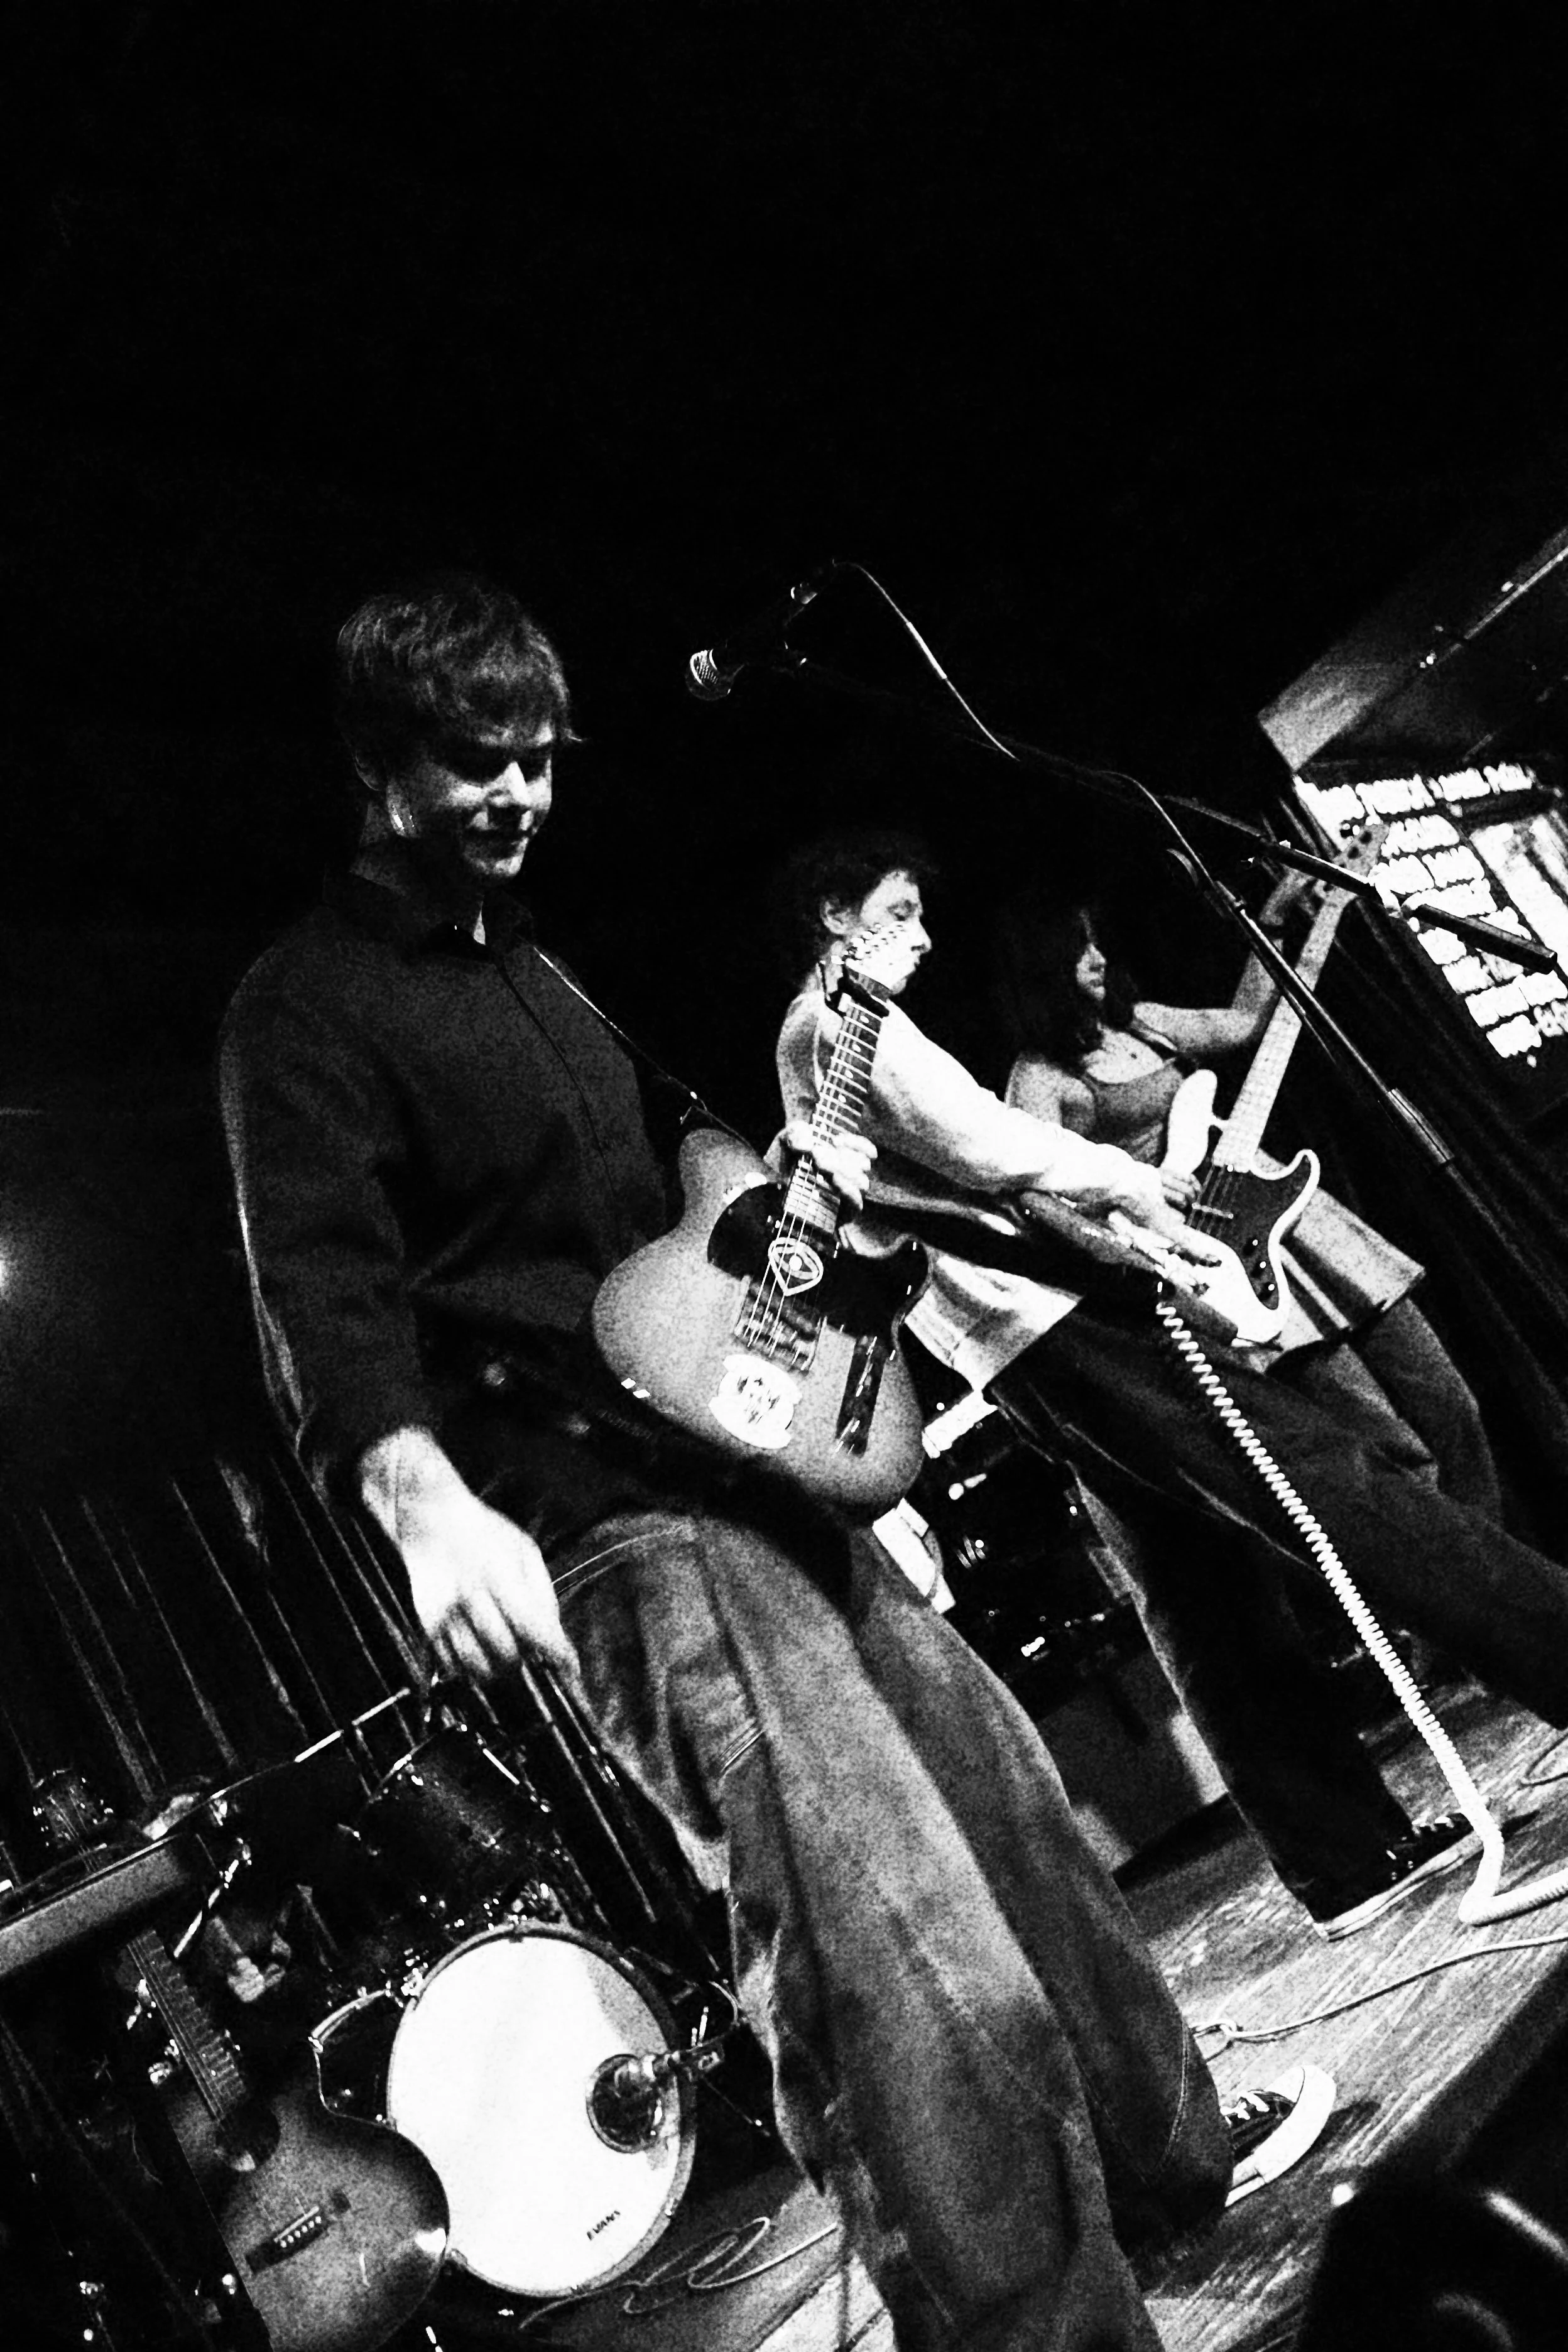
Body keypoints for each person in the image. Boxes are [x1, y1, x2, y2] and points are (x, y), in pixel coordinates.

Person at [219, 575, 1321, 2352]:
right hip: (613, 1521)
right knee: (892, 1945)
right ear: (376, 764)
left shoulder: (544, 972)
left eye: (536, 760)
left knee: (1015, 1821)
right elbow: (318, 1303)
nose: (516, 795)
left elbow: (689, 1171)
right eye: (474, 764)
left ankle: (1172, 2162)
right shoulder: (305, 1007)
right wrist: (424, 1503)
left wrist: (793, 1245)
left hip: (757, 1475)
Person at [773, 829, 1568, 1939]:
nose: (921, 937)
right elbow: (990, 1146)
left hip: (1024, 1344)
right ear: (834, 915)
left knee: (1197, 1588)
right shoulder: (838, 1024)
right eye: (897, 913)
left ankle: (1342, 1856)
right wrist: (1128, 1187)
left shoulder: (833, 1032)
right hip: (1059, 1322)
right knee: (1334, 1481)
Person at [994, 890, 1502, 1518]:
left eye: (1096, 942)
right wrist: (1130, 1186)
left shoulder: (1139, 1023)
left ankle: (1508, 1564)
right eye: (1078, 950)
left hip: (1291, 1216)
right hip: (1222, 1255)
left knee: (1451, 1403)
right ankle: (1448, 1575)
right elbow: (1037, 1194)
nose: (1098, 958)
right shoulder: (1039, 1076)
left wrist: (1272, 921)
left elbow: (1245, 1021)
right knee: (1393, 1449)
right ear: (1043, 967)